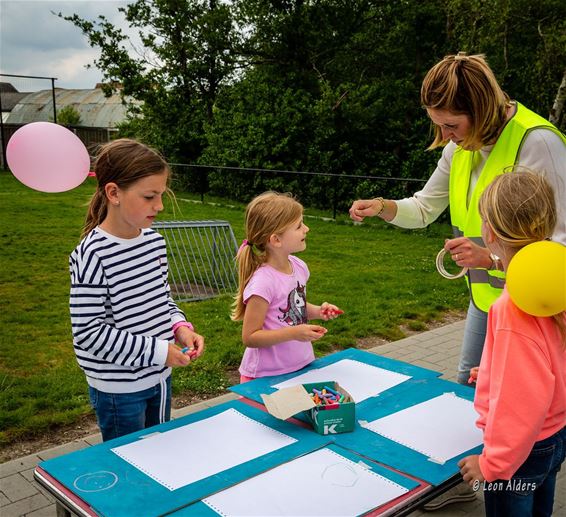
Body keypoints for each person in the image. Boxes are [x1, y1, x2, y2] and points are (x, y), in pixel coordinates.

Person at [349, 52, 566, 387]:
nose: (445, 135)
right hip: (484, 303)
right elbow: (423, 208)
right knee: (467, 389)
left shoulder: (538, 142)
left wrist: (491, 259)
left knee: (523, 406)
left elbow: (559, 245)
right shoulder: (459, 147)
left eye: (451, 125)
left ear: (479, 111)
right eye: (438, 125)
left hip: (536, 311)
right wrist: (381, 206)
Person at [69, 138, 205, 441]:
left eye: (161, 195)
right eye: (149, 196)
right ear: (114, 193)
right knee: (130, 467)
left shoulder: (154, 242)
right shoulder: (93, 253)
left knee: (158, 452)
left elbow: (161, 301)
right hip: (120, 390)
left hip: (160, 377)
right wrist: (158, 351)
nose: (160, 206)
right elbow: (88, 332)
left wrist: (180, 328)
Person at [458, 171, 566, 517]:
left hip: (521, 453)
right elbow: (546, 360)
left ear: (488, 232)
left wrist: (492, 465)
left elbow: (522, 401)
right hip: (556, 434)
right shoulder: (555, 281)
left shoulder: (511, 307)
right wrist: (491, 371)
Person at [232, 191, 342, 382]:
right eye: (299, 226)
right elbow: (250, 337)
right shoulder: (262, 283)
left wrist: (318, 311)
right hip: (265, 377)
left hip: (301, 367)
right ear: (276, 240)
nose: (306, 229)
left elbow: (294, 307)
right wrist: (293, 333)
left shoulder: (299, 267)